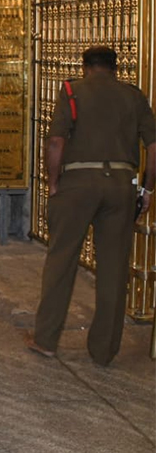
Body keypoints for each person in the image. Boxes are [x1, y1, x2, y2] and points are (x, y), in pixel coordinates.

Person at [28, 46, 156, 365]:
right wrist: (148, 189)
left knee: (62, 260)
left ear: (86, 67)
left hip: (78, 183)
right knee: (113, 269)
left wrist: (54, 183)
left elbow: (56, 142)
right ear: (115, 69)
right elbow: (154, 147)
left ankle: (45, 340)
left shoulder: (72, 90)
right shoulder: (134, 96)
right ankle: (104, 350)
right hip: (122, 183)